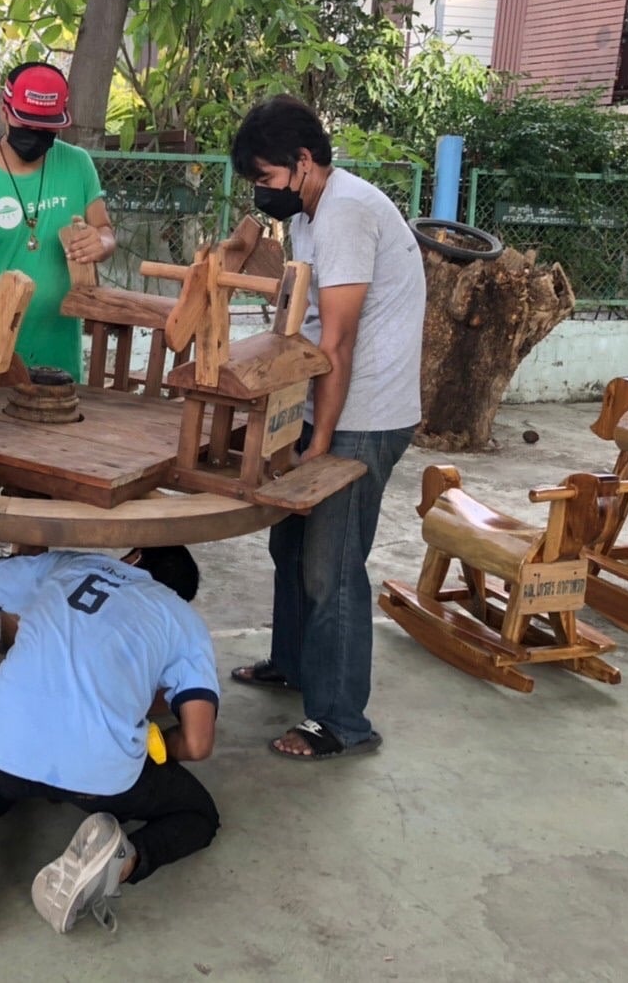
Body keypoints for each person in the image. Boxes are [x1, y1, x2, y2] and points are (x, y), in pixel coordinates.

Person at [227, 95, 425, 761]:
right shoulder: (311, 214)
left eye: (266, 177)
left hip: (365, 415)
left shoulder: (344, 213)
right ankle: (292, 663)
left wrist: (318, 442)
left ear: (303, 161)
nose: (262, 192)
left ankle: (341, 721)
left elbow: (337, 341)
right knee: (289, 545)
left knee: (330, 567)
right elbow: (302, 319)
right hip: (325, 404)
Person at [0, 547, 220, 943]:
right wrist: (158, 748)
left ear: (134, 557)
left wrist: (25, 564)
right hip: (97, 779)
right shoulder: (183, 620)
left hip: (4, 749)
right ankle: (118, 861)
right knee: (199, 815)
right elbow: (198, 743)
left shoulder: (70, 564)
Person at [0, 61, 118, 637]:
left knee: (40, 483)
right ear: (5, 112)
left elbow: (105, 229)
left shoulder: (78, 165)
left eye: (47, 129)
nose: (36, 137)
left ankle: (17, 595)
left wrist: (101, 242)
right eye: (26, 125)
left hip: (54, 352)